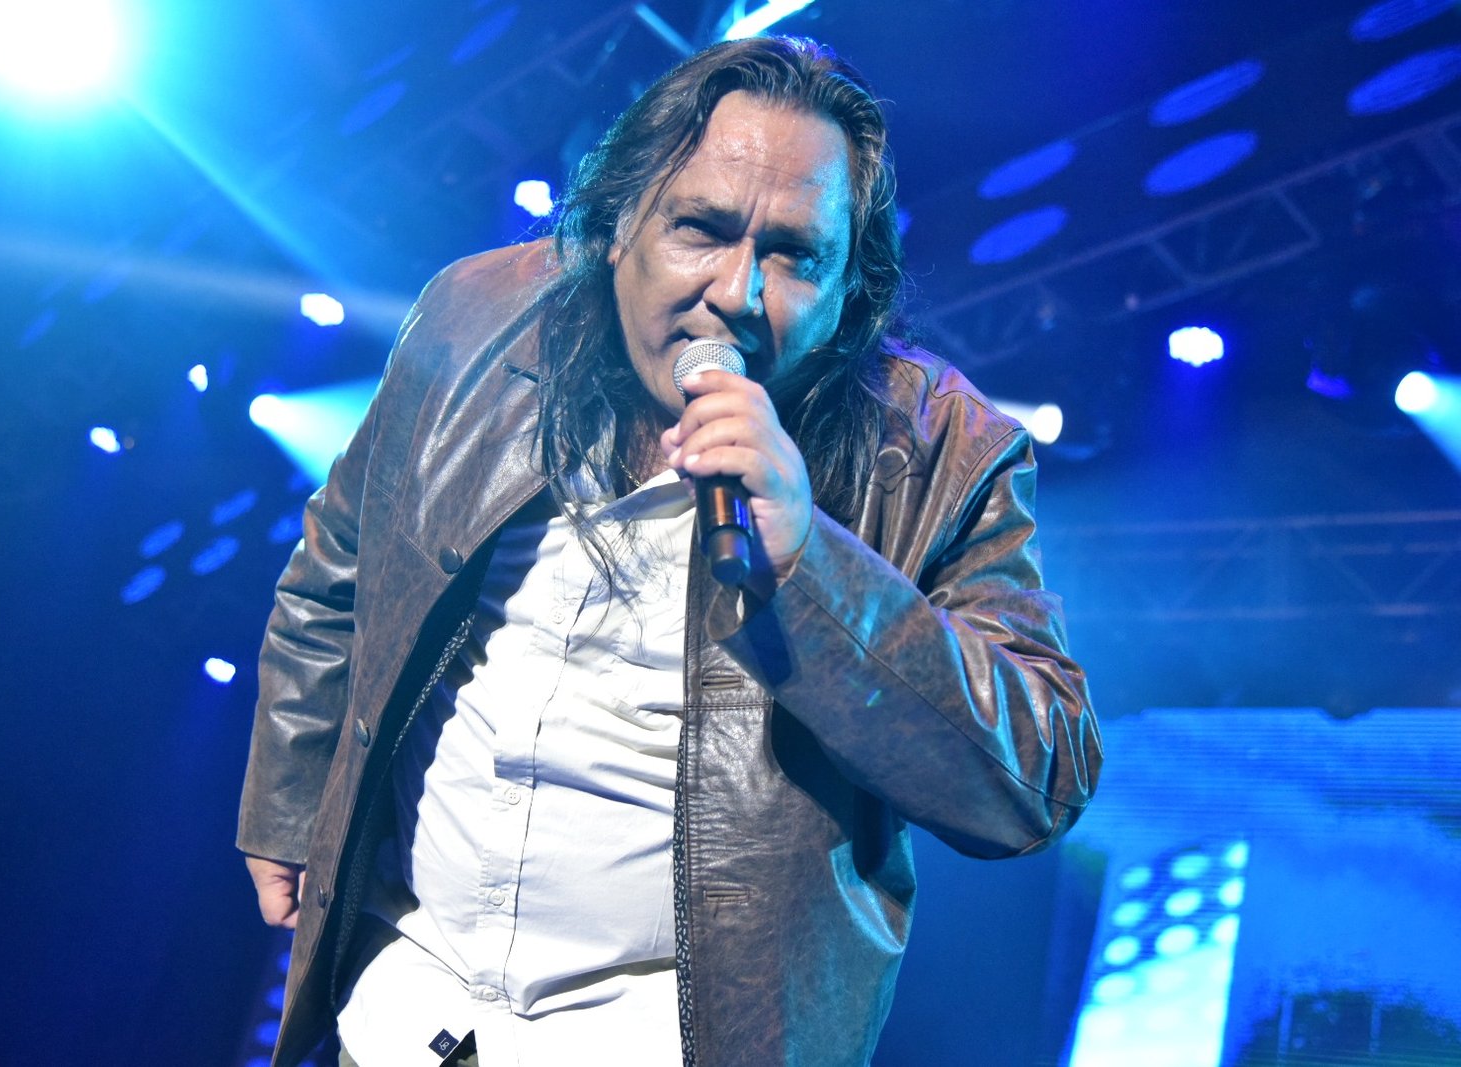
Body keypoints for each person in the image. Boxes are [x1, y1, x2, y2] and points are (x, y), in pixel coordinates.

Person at [238, 35, 1101, 1067]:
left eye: (794, 255)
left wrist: (813, 564)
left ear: (848, 292)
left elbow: (1035, 780)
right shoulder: (473, 321)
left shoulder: (941, 452)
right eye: (701, 228)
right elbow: (337, 567)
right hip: (404, 1002)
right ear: (617, 226)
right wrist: (289, 796)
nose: (736, 291)